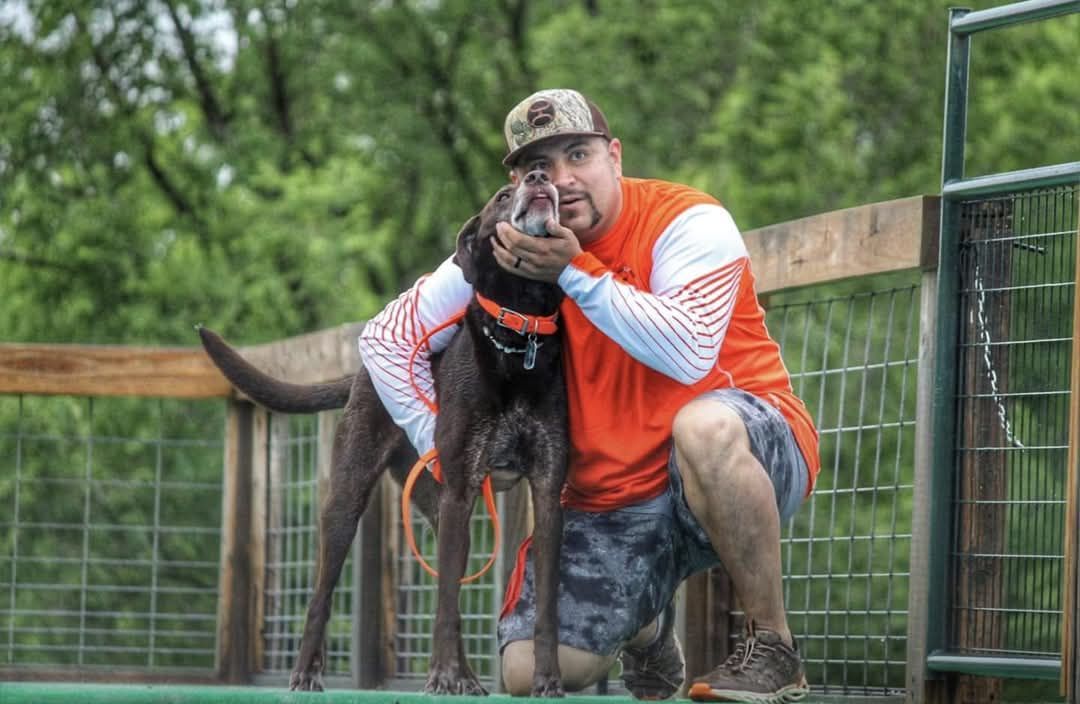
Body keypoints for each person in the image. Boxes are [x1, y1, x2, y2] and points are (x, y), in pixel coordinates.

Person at [358, 88, 819, 702]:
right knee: (525, 673)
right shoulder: (506, 247)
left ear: (616, 157)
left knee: (703, 428)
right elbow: (384, 340)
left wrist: (572, 272)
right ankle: (647, 625)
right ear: (521, 184)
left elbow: (688, 354)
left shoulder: (689, 220)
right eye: (538, 169)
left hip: (738, 458)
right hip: (612, 501)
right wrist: (442, 446)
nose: (564, 180)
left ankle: (774, 648)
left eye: (579, 155)